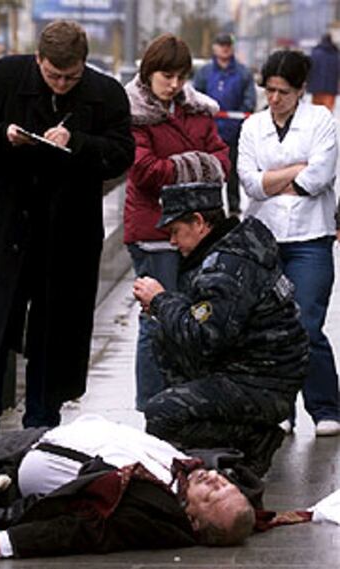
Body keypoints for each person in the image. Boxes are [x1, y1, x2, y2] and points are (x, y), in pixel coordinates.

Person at [0, 20, 135, 439]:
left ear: (84, 66)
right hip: (7, 226)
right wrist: (3, 135)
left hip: (68, 234)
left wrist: (78, 142)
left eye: (71, 77)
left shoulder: (104, 93)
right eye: (53, 75)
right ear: (38, 60)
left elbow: (122, 152)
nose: (62, 84)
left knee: (57, 331)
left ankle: (43, 425)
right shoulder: (3, 77)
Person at [133, 182, 309, 476]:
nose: (173, 242)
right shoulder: (230, 248)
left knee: (162, 413)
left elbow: (205, 338)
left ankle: (248, 445)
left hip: (261, 382)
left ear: (199, 222)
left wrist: (160, 301)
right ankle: (231, 447)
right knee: (167, 344)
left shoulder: (226, 266)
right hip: (260, 373)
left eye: (175, 230)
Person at [0, 414, 258, 560]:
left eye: (214, 494)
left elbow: (79, 531)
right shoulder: (188, 475)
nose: (217, 480)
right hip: (44, 435)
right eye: (227, 485)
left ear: (194, 521)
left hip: (7, 462)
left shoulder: (149, 514)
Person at [123, 33, 230, 411]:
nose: (174, 85)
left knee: (193, 319)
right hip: (155, 233)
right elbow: (146, 172)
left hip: (198, 234)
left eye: (181, 76)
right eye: (166, 76)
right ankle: (152, 406)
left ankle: (184, 403)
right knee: (157, 319)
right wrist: (199, 163)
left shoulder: (197, 109)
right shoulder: (134, 111)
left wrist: (186, 164)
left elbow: (223, 160)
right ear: (149, 72)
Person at [238, 50, 340, 436]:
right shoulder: (253, 126)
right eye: (270, 90)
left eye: (283, 91)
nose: (275, 98)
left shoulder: (321, 121)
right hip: (263, 240)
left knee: (306, 324)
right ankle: (279, 408)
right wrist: (295, 172)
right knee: (266, 328)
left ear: (301, 90)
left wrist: (275, 179)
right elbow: (250, 184)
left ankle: (326, 407)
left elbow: (318, 178)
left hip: (310, 238)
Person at [193, 33, 256, 215]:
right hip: (210, 133)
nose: (224, 48)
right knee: (209, 172)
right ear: (214, 47)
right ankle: (211, 208)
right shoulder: (204, 72)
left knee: (233, 172)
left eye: (228, 44)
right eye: (221, 44)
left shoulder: (243, 73)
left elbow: (249, 100)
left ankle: (234, 207)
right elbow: (197, 97)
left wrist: (240, 119)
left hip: (234, 133)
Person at [307, 33, 340, 112]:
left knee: (316, 113)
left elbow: (309, 70)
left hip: (316, 89)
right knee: (327, 114)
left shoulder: (314, 54)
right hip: (330, 89)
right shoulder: (336, 55)